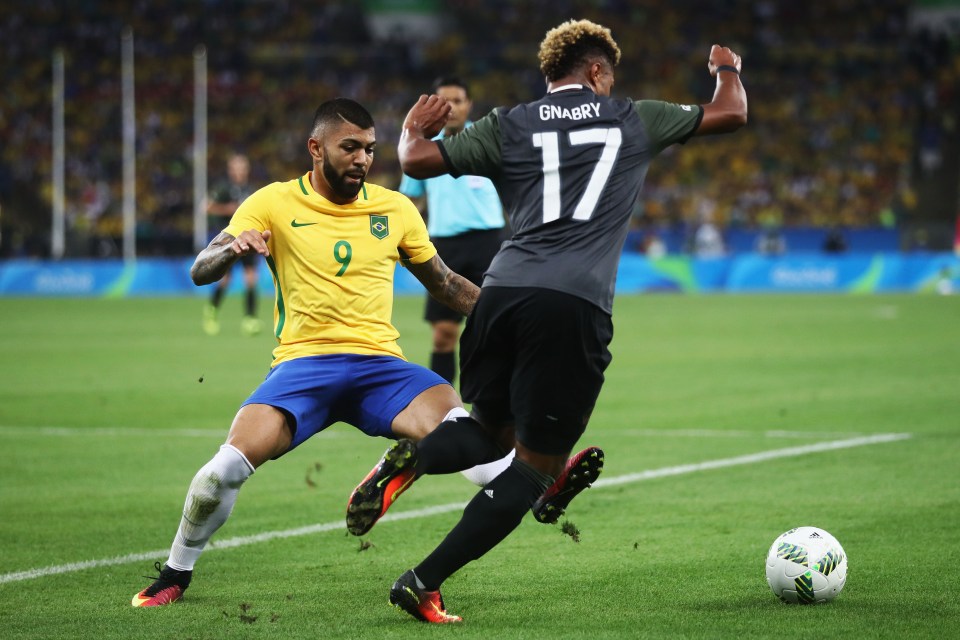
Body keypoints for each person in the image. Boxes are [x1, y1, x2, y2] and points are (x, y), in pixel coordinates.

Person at [345, 19, 747, 623]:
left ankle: (409, 457)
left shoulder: (509, 123)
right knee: (536, 471)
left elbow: (417, 160)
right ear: (595, 71)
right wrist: (726, 68)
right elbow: (730, 114)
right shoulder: (633, 117)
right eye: (609, 76)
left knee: (490, 434)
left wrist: (410, 128)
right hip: (573, 304)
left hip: (499, 294)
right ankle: (422, 581)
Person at [132, 97, 501, 608]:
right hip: (303, 368)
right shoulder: (272, 202)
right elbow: (201, 268)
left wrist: (516, 317)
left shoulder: (394, 208)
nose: (362, 159)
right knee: (223, 471)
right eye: (349, 147)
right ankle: (176, 571)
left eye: (370, 149)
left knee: (466, 435)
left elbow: (445, 284)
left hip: (381, 368)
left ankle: (534, 481)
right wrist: (229, 249)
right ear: (315, 147)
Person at [399, 76, 506, 384]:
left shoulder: (488, 139)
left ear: (469, 104)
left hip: (489, 244)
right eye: (443, 102)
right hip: (443, 247)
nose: (451, 108)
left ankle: (491, 414)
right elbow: (410, 200)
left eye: (458, 101)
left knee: (493, 331)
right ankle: (442, 412)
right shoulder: (421, 149)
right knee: (444, 334)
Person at [203, 153, 262, 336]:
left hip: (248, 238)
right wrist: (227, 209)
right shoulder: (223, 188)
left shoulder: (250, 189)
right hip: (228, 239)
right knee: (225, 279)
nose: (240, 171)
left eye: (243, 167)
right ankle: (212, 310)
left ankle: (250, 319)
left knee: (251, 278)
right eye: (237, 167)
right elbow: (206, 206)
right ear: (231, 170)